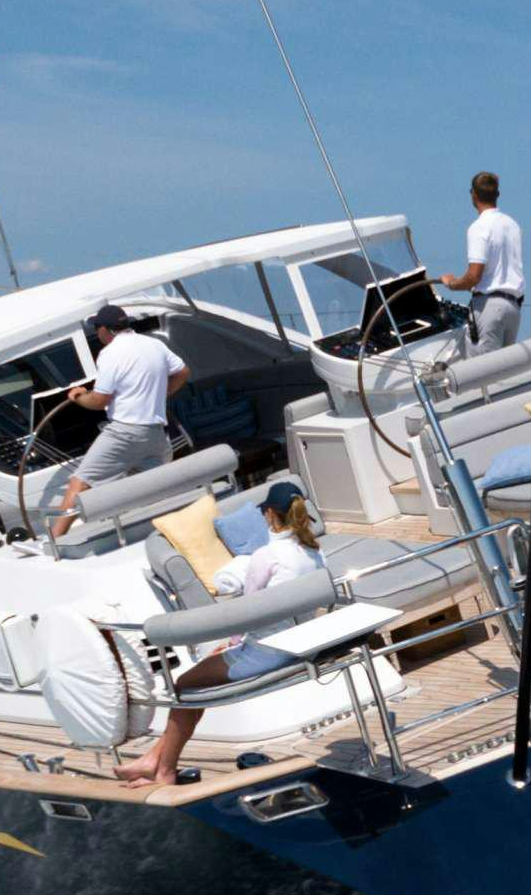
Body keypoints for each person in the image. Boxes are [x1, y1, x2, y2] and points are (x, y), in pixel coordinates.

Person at [117, 481, 326, 788]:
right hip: (300, 645)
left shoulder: (266, 556)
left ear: (269, 515)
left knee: (185, 683)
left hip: (266, 653)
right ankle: (154, 760)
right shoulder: (315, 554)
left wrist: (232, 643)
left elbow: (247, 612)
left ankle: (164, 770)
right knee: (202, 677)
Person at [48, 303, 189, 539]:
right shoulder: (154, 344)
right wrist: (158, 395)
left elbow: (99, 400)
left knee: (79, 483)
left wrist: (78, 396)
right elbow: (182, 372)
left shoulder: (110, 353)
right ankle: (175, 533)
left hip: (125, 433)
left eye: (97, 329)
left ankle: (54, 541)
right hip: (156, 435)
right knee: (153, 492)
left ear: (105, 330)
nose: (97, 333)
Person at [433, 170, 524, 354]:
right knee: (505, 368)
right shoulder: (512, 225)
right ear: (497, 194)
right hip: (513, 309)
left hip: (489, 309)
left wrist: (451, 283)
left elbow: (474, 276)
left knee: (483, 368)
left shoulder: (479, 227)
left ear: (473, 195)